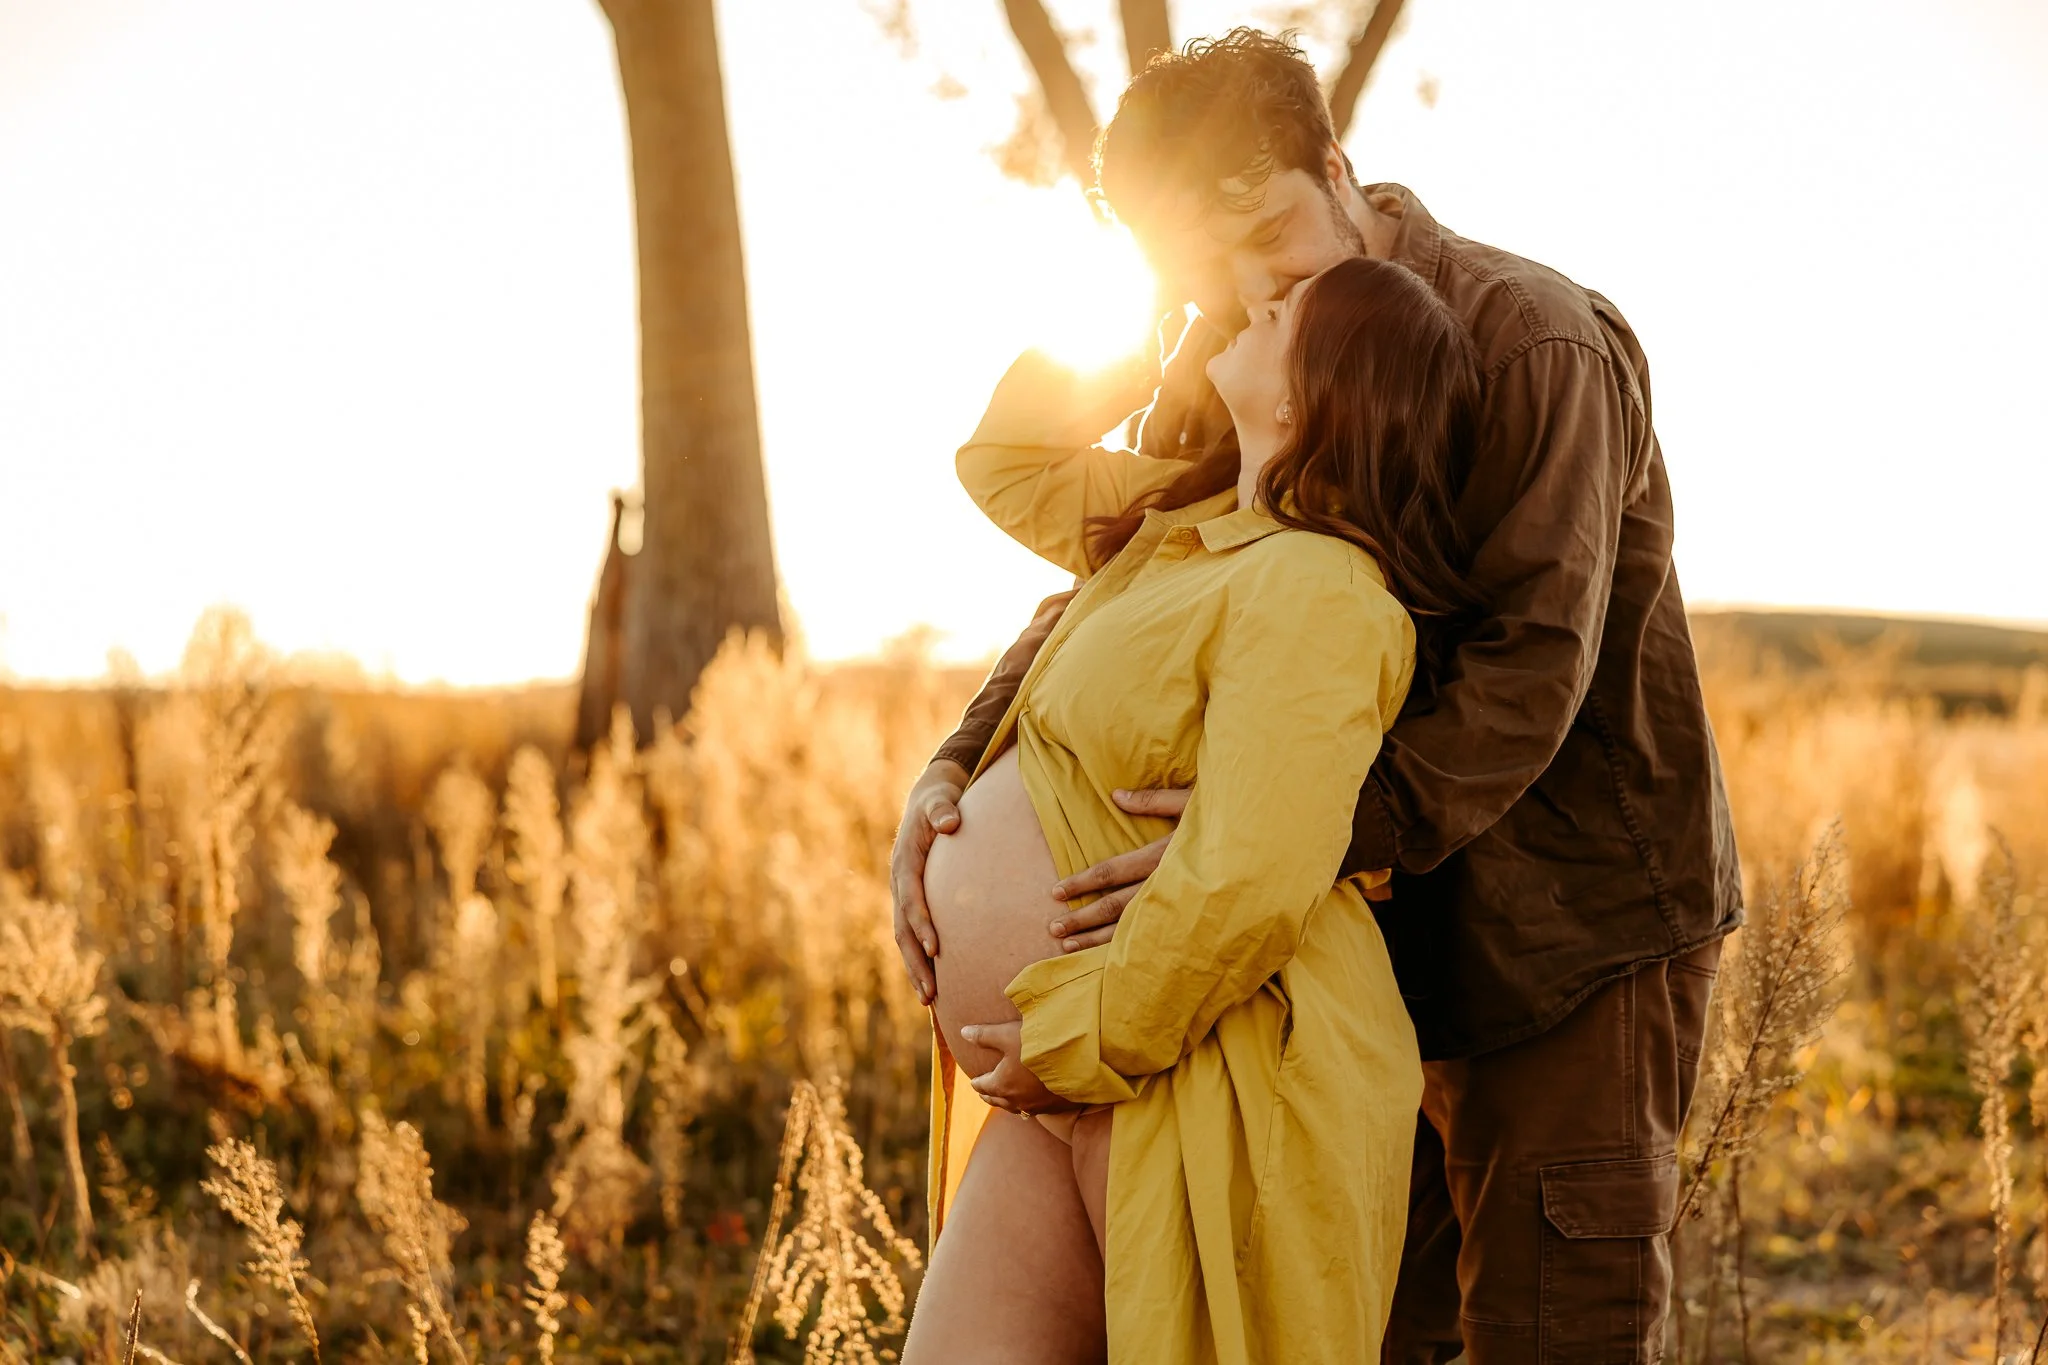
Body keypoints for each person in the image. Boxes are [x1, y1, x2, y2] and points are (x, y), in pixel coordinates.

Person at [893, 29, 1743, 1364]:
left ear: (1338, 167)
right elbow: (1133, 573)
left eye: (1274, 238)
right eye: (1208, 274)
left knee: (1546, 1319)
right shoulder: (1243, 337)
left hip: (1560, 922)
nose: (1259, 286)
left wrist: (1263, 845)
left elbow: (1528, 668)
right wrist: (960, 764)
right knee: (1359, 1317)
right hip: (1329, 954)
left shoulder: (1534, 344)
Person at [901, 255, 1486, 1363]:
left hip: (1205, 1080)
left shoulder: (1321, 589)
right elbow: (1006, 461)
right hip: (1064, 1078)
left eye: (1276, 314)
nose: (1247, 305)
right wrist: (1152, 338)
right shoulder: (1172, 524)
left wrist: (1070, 1041)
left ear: (1312, 393)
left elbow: (1247, 881)